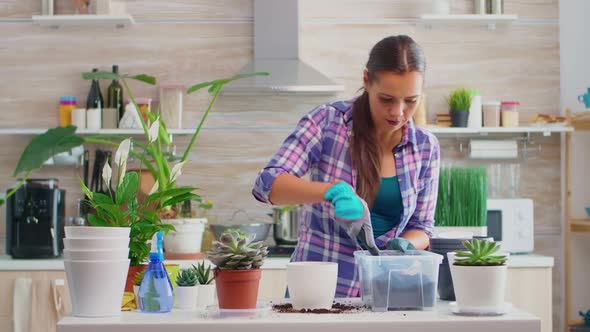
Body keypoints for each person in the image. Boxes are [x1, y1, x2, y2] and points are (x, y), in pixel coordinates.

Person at [252, 35, 440, 297]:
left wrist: (405, 246)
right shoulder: (328, 123)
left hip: (386, 295)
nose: (398, 112)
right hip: (317, 294)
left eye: (410, 100)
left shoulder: (425, 147)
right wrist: (331, 190)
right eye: (387, 99)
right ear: (366, 80)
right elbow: (267, 184)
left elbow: (422, 226)